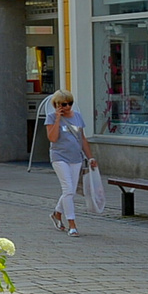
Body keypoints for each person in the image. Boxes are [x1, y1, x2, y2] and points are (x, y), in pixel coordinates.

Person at [45, 89, 96, 237]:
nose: (67, 107)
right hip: (59, 157)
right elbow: (52, 138)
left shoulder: (77, 117)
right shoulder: (51, 117)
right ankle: (72, 224)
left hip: (76, 158)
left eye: (70, 104)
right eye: (64, 104)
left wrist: (90, 157)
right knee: (68, 189)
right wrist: (58, 119)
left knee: (71, 191)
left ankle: (57, 213)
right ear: (56, 105)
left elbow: (83, 139)